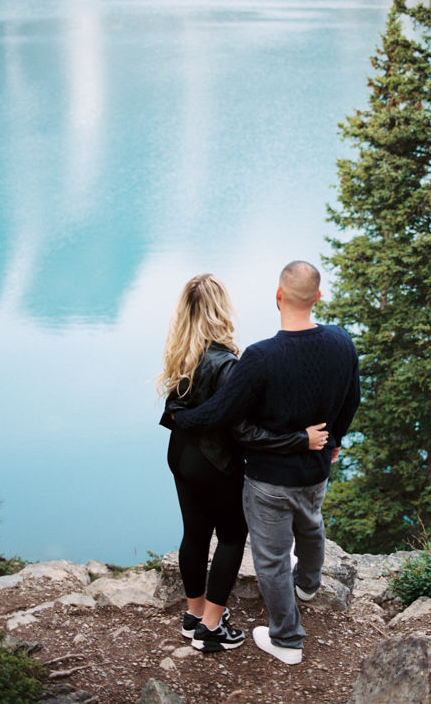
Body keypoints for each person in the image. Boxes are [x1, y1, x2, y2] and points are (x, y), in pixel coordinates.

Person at [172, 261, 360, 665]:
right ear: (319, 296)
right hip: (281, 466)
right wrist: (329, 441)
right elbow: (350, 400)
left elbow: (213, 413)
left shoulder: (229, 356)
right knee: (286, 529)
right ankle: (294, 592)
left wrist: (177, 417)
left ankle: (255, 632)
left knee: (237, 547)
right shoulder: (338, 343)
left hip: (225, 466)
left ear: (278, 296)